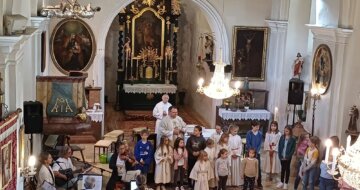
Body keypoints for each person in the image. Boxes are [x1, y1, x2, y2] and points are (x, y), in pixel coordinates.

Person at [245, 121, 263, 188]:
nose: (258, 128)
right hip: (249, 153)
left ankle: (259, 183)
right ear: (252, 126)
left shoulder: (260, 134)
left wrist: (256, 152)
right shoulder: (249, 133)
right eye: (256, 126)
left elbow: (260, 143)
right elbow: (248, 143)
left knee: (258, 167)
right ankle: (247, 182)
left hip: (257, 153)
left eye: (258, 126)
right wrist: (251, 152)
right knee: (248, 167)